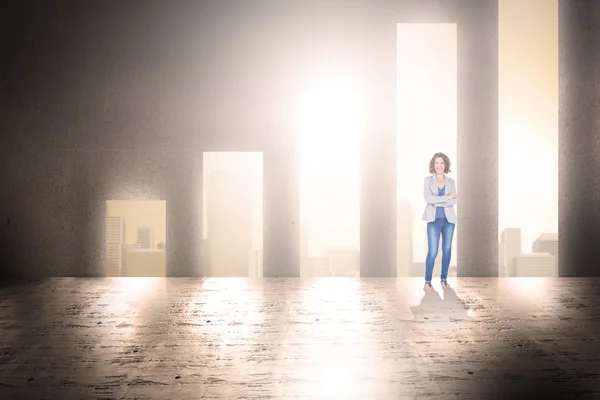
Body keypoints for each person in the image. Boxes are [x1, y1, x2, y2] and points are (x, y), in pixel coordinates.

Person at [421, 152, 457, 291]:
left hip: (449, 220)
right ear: (433, 165)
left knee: (447, 250)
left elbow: (453, 201)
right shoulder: (428, 180)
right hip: (433, 220)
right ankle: (427, 281)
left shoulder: (451, 181)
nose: (439, 166)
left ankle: (443, 279)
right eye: (436, 163)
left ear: (445, 165)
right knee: (433, 251)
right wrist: (446, 197)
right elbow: (428, 199)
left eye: (442, 163)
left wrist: (440, 200)